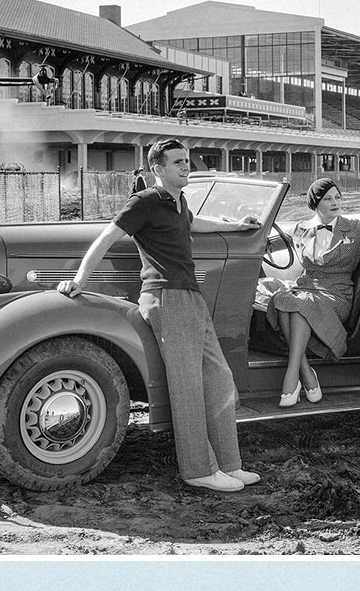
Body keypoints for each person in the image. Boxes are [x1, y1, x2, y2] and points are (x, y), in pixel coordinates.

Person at [58, 138, 261, 494]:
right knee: (187, 386)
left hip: (189, 297)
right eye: (179, 162)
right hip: (166, 297)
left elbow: (195, 225)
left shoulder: (179, 202)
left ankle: (230, 464)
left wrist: (237, 225)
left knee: (218, 377)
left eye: (187, 161)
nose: (187, 166)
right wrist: (78, 280)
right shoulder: (145, 201)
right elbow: (107, 236)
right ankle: (198, 469)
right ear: (158, 169)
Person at [268, 178, 360, 406]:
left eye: (338, 197)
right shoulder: (301, 229)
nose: (335, 202)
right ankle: (307, 374)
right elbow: (270, 243)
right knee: (282, 298)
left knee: (300, 304)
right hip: (307, 288)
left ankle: (292, 378)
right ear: (315, 204)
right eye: (328, 199)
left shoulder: (355, 228)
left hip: (337, 294)